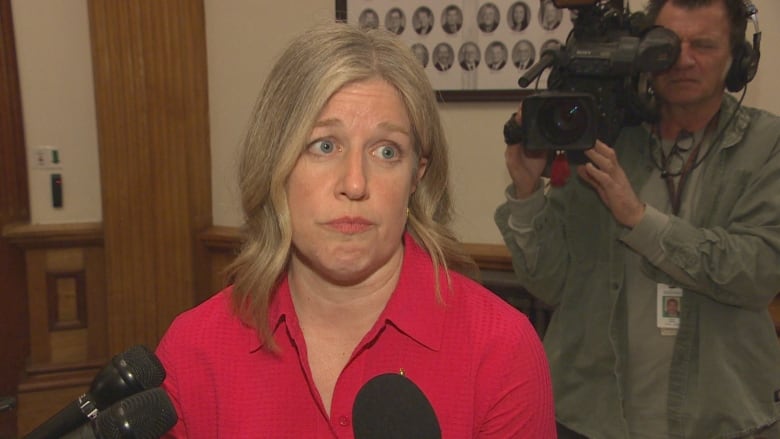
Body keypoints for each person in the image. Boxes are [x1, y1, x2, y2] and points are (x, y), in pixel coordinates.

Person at [157, 22, 555, 438]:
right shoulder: (193, 351)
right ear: (277, 162)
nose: (355, 183)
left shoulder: (500, 350)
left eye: (386, 152)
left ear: (416, 176)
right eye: (324, 145)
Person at [495, 0, 780, 438]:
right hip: (593, 418)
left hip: (723, 419)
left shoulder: (767, 146)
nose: (683, 60)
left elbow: (759, 271)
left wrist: (638, 219)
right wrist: (527, 191)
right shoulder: (602, 140)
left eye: (703, 45)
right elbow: (549, 284)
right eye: (667, 45)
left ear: (738, 59)